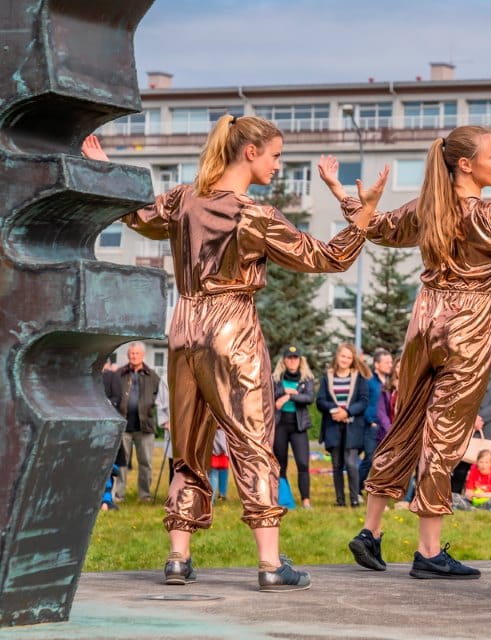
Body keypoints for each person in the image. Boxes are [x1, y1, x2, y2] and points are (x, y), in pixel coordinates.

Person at [81, 115, 385, 591]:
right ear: (250, 152)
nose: (278, 166)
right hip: (232, 327)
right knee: (252, 441)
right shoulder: (254, 214)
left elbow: (137, 215)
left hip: (184, 326)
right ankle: (270, 563)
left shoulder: (184, 200)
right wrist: (362, 214)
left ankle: (178, 557)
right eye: (275, 156)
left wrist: (105, 169)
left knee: (189, 446)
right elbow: (329, 257)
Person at [325, 124, 491, 582]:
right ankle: (429, 550)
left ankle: (371, 530)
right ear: (466, 165)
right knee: (444, 435)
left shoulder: (428, 207)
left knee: (405, 425)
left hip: (424, 323)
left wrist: (342, 192)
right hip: (467, 328)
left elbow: (375, 226)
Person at [104, 342, 170, 502]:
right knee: (122, 462)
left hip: (145, 425)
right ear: (128, 355)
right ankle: (118, 494)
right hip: (123, 424)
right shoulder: (119, 374)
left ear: (143, 355)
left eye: (137, 354)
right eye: (131, 354)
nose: (134, 356)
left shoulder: (152, 375)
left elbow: (161, 397)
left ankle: (144, 495)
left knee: (146, 462)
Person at [316, 343, 371, 508]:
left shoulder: (359, 378)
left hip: (352, 427)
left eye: (348, 357)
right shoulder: (327, 377)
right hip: (332, 426)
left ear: (352, 360)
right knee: (337, 464)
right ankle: (339, 500)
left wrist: (347, 412)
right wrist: (334, 410)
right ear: (337, 356)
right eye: (343, 356)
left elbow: (363, 401)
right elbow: (320, 401)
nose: (345, 360)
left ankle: (354, 498)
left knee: (351, 462)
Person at [272, 345, 315, 509]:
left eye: (295, 358)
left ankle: (306, 500)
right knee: (280, 464)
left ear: (300, 360)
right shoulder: (276, 378)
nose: (292, 361)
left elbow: (309, 398)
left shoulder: (306, 379)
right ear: (284, 360)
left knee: (303, 463)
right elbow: (269, 396)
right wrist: (285, 390)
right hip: (280, 425)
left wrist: (288, 396)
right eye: (289, 358)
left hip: (299, 426)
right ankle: (284, 498)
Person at [363, 349, 394, 485]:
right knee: (369, 458)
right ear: (377, 364)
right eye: (386, 362)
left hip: (387, 427)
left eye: (391, 362)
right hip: (373, 426)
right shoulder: (369, 382)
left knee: (383, 459)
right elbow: (365, 402)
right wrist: (370, 421)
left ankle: (378, 487)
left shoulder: (389, 382)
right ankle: (358, 487)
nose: (390, 365)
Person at [210, 429, 230, 503]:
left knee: (214, 473)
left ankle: (212, 499)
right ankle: (218, 496)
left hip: (215, 442)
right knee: (214, 473)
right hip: (220, 441)